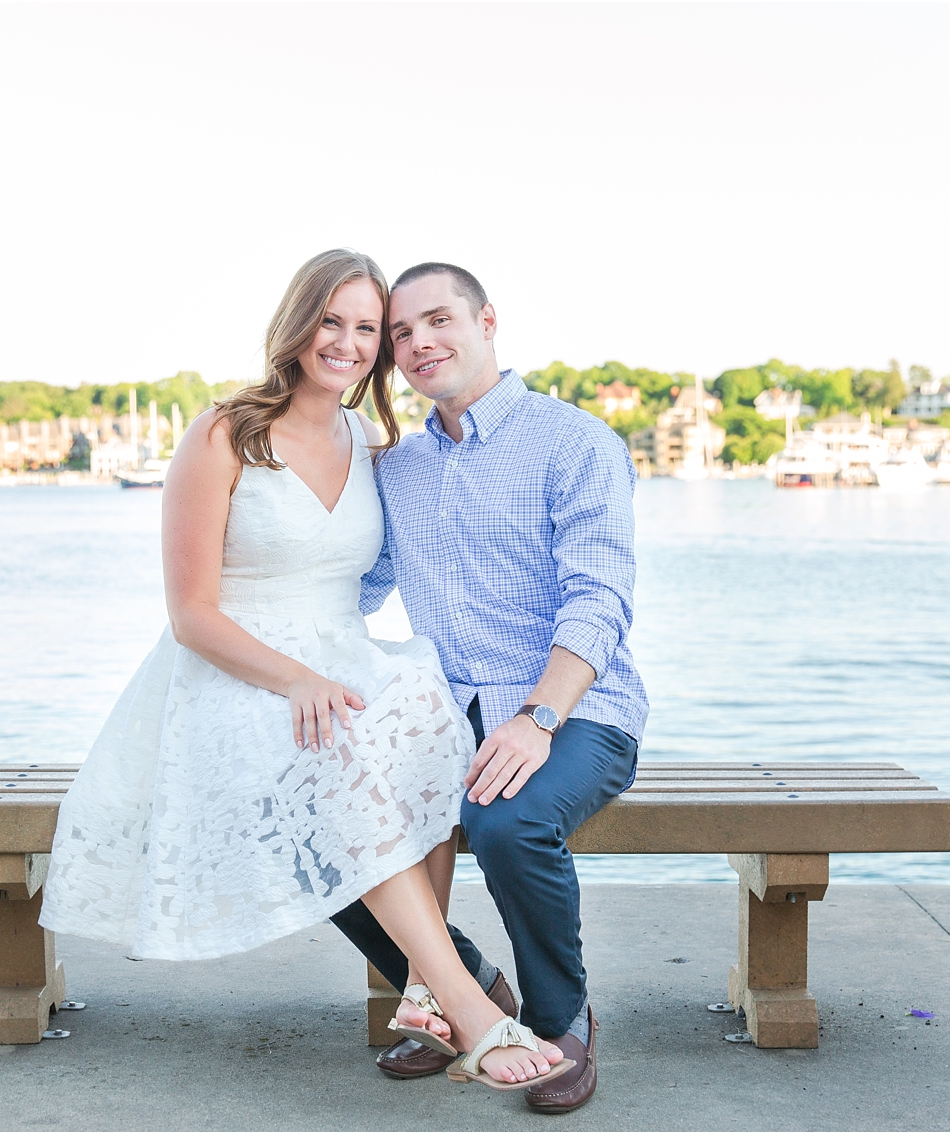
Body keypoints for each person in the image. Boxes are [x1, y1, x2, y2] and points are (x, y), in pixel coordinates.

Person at [39, 249, 567, 1091]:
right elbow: (191, 615)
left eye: (367, 328)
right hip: (233, 667)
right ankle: (467, 1005)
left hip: (338, 651)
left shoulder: (370, 440)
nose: (350, 343)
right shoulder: (225, 433)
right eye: (333, 321)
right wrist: (292, 678)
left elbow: (399, 561)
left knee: (430, 720)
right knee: (345, 748)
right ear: (298, 324)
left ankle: (426, 991)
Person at [330, 262, 647, 1114]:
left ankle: (561, 1020)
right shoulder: (397, 467)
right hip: (441, 706)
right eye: (399, 333)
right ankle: (463, 984)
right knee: (321, 826)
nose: (418, 343)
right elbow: (356, 584)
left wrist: (538, 718)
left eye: (437, 320)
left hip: (576, 707)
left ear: (487, 321)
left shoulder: (575, 442)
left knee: (505, 820)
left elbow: (600, 600)